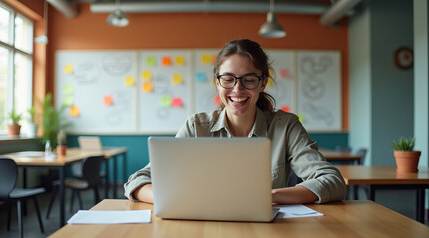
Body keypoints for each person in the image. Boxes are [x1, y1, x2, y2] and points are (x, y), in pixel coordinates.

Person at [124, 39, 347, 204]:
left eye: (249, 79)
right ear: (218, 83)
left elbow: (332, 181)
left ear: (262, 83)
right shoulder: (196, 127)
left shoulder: (285, 126)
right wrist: (171, 200)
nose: (237, 89)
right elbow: (138, 180)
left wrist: (268, 197)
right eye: (228, 79)